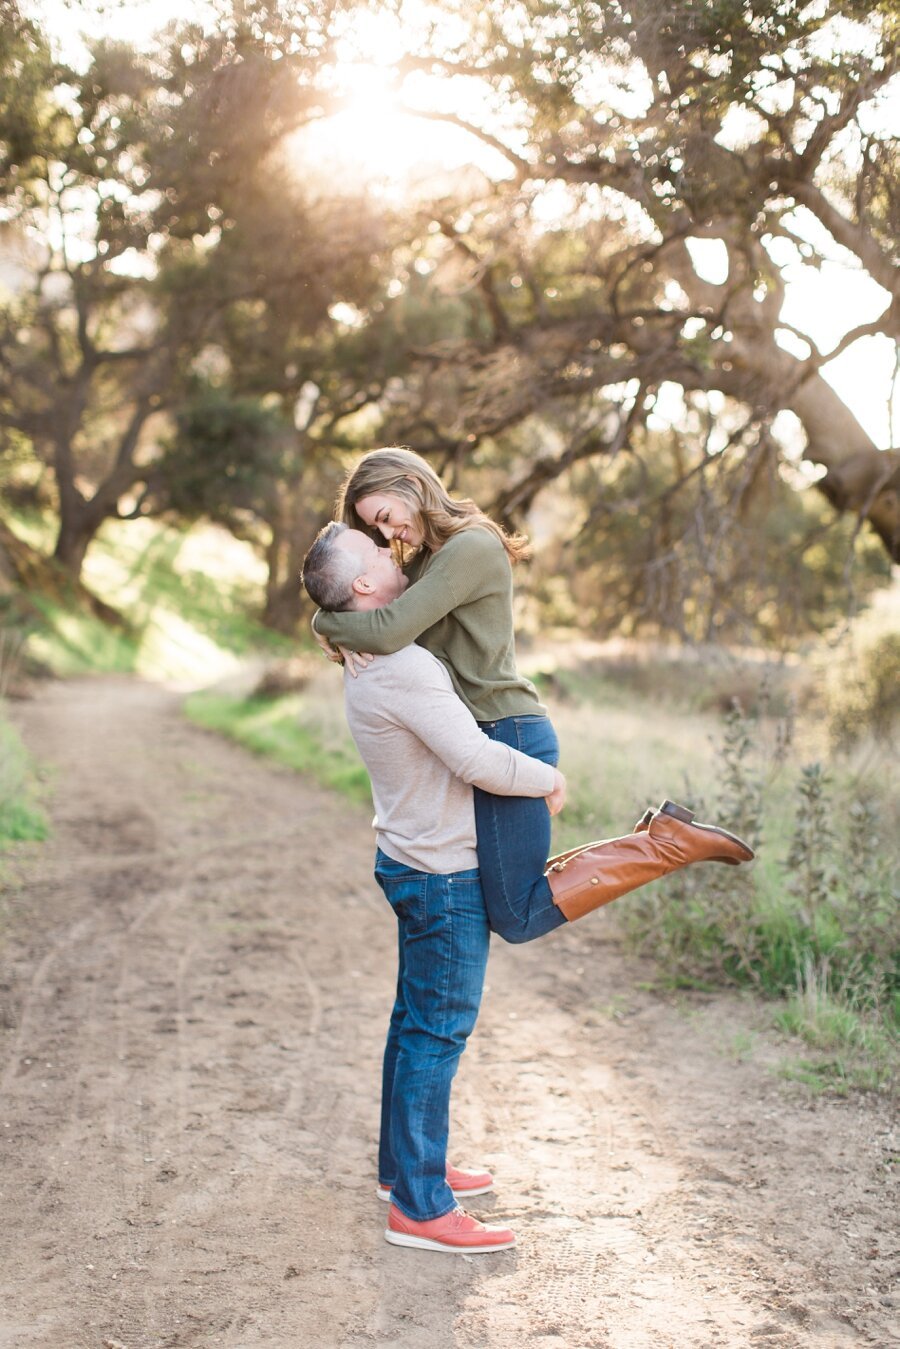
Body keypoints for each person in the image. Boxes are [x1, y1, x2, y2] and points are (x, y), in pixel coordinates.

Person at [300, 520, 753, 1255]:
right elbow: (475, 756)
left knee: (413, 1020)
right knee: (435, 1032)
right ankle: (419, 1206)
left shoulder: (361, 652)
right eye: (376, 549)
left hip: (409, 858)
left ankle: (403, 1169)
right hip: (440, 873)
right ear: (362, 587)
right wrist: (548, 778)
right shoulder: (402, 666)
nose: (391, 551)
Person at [311, 447, 753, 942]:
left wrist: (324, 620)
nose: (389, 536)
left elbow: (388, 629)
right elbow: (372, 610)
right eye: (377, 531)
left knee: (516, 916)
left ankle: (664, 847)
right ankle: (660, 839)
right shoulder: (429, 561)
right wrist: (337, 621)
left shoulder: (469, 548)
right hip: (484, 739)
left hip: (509, 734)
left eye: (387, 518)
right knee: (511, 898)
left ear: (412, 485)